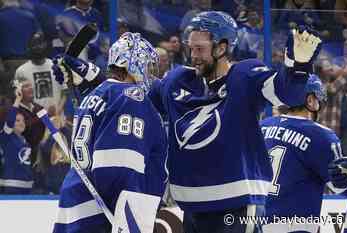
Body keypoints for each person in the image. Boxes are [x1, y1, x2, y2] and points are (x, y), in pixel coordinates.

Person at [54, 11, 322, 233]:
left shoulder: (245, 75)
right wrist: (89, 76)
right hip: (192, 209)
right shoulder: (177, 81)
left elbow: (286, 92)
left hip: (237, 205)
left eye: (200, 49)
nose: (192, 55)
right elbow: (131, 92)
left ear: (222, 47)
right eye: (190, 48)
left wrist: (297, 68)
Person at [52, 32, 168, 233]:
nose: (150, 74)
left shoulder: (96, 95)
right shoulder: (131, 97)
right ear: (132, 64)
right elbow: (118, 165)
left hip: (75, 205)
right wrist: (129, 221)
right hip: (102, 217)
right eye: (147, 66)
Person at [260, 74, 347, 233]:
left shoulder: (262, 126)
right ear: (310, 100)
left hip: (254, 223)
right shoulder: (322, 135)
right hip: (296, 227)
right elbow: (341, 186)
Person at [0, 82, 33, 194]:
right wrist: (18, 100)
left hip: (27, 186)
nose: (21, 123)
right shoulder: (6, 136)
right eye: (18, 120)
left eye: (23, 121)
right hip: (11, 185)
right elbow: (10, 121)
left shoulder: (25, 141)